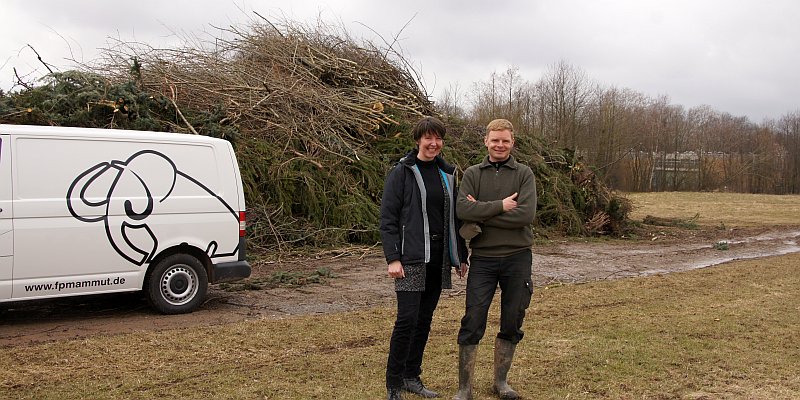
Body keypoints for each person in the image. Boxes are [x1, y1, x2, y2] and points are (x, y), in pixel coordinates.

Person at [380, 116, 469, 400]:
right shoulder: (402, 172)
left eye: (438, 138)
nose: (433, 143)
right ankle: (394, 383)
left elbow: (455, 219)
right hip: (410, 259)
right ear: (417, 140)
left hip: (438, 258)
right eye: (428, 138)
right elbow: (388, 219)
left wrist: (461, 256)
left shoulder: (448, 174)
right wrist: (393, 257)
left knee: (424, 319)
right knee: (406, 319)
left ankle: (411, 375)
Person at [453, 119, 537, 400]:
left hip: (517, 258)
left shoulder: (524, 174)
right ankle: (465, 388)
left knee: (512, 319)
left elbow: (525, 216)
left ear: (513, 143)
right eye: (495, 140)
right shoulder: (473, 174)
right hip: (484, 260)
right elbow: (463, 210)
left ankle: (501, 383)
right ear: (486, 142)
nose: (500, 145)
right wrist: (501, 206)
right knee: (473, 319)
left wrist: (483, 213)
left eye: (505, 140)